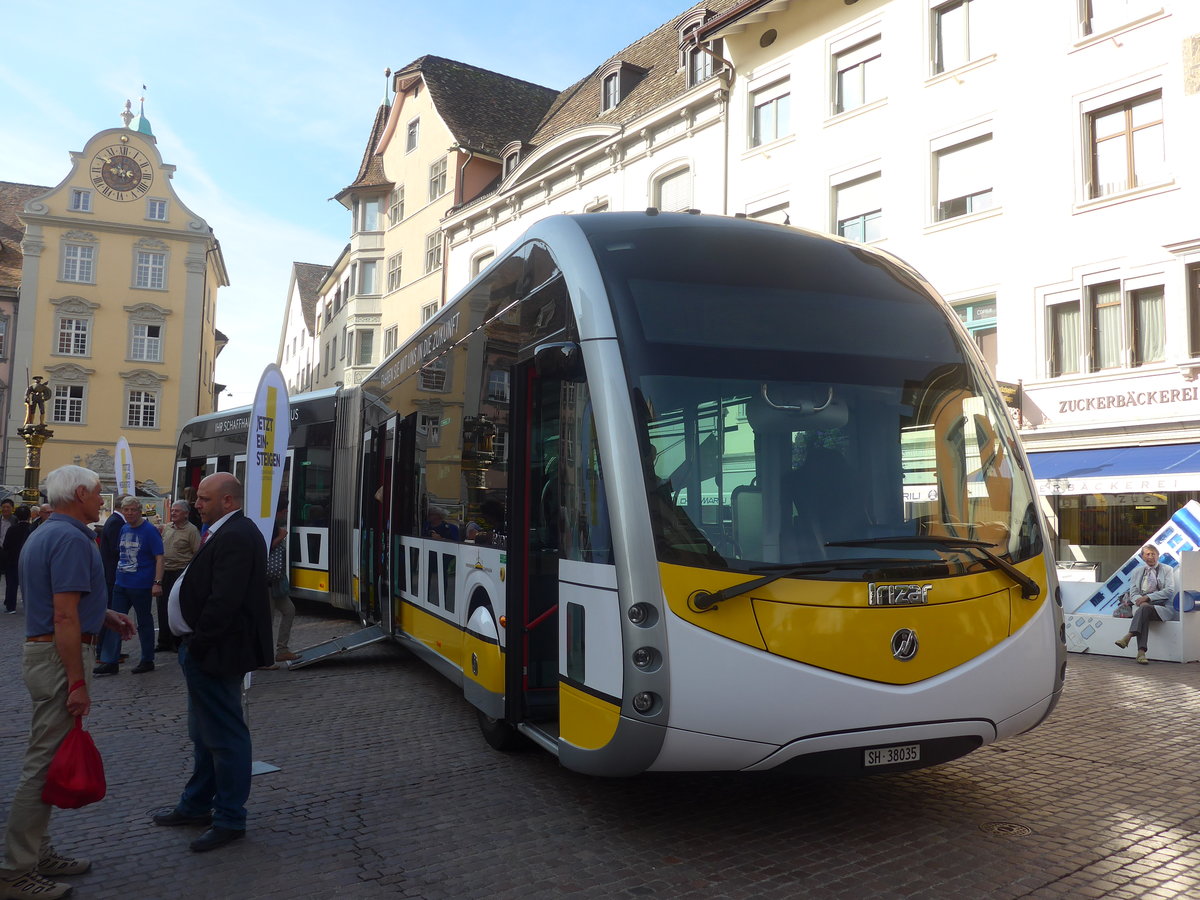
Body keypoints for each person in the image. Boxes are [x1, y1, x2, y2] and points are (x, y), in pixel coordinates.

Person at [0, 466, 135, 900]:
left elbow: (60, 603)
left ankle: (37, 854)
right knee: (42, 764)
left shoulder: (47, 532)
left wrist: (101, 615)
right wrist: (77, 681)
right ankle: (15, 871)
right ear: (79, 493)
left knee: (46, 755)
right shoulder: (72, 538)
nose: (101, 500)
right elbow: (62, 615)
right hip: (58, 658)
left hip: (46, 652)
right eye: (97, 493)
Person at [152, 472, 271, 853]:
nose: (196, 504)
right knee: (204, 734)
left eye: (203, 499)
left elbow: (225, 600)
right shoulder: (223, 532)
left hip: (216, 653)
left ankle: (230, 818)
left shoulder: (236, 535)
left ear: (228, 501)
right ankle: (196, 804)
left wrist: (199, 644)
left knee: (225, 737)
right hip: (203, 650)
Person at [94, 497, 164, 676]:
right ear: (122, 511)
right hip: (121, 582)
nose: (130, 513)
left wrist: (157, 582)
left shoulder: (149, 530)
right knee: (114, 621)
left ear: (139, 511)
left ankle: (147, 659)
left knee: (144, 622)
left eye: (133, 510)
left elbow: (159, 557)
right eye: (126, 510)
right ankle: (110, 660)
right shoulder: (124, 528)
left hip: (141, 584)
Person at [1114, 544, 1179, 664]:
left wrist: (1148, 598)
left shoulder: (1167, 569)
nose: (1151, 556)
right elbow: (1133, 592)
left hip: (1161, 607)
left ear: (1158, 556)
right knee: (1143, 612)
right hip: (1141, 606)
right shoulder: (1137, 572)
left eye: (1153, 554)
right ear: (1143, 557)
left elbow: (1169, 590)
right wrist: (1141, 601)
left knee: (1143, 611)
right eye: (1147, 554)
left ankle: (1129, 636)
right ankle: (1141, 653)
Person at [157, 501, 200, 653]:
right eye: (172, 510)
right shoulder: (168, 527)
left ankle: (177, 642)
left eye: (177, 511)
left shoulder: (192, 531)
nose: (173, 513)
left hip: (180, 572)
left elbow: (197, 553)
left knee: (176, 607)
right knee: (162, 607)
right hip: (164, 572)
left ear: (186, 514)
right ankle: (163, 641)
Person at [266, 503, 297, 665]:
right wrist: (281, 537)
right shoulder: (269, 525)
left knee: (289, 610)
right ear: (282, 511)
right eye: (285, 512)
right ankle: (264, 659)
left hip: (276, 582)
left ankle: (282, 650)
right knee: (268, 620)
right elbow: (265, 548)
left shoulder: (273, 524)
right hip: (266, 583)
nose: (286, 515)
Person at [3, 506, 32, 614]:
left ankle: (11, 607)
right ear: (29, 516)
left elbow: (5, 545)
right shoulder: (32, 529)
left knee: (12, 583)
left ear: (16, 516)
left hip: (13, 560)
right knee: (29, 583)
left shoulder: (12, 529)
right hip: (28, 560)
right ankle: (30, 605)